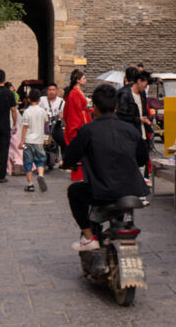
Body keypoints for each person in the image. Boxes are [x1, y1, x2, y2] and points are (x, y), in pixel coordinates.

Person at [62, 83, 149, 251]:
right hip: (132, 190)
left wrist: (66, 163)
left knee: (74, 191)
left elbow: (69, 158)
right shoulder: (131, 130)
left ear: (94, 107)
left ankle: (88, 237)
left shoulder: (88, 130)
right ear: (116, 106)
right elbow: (141, 159)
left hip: (101, 192)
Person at [63, 69, 92, 182]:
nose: (86, 80)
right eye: (84, 78)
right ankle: (78, 175)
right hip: (79, 122)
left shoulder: (76, 92)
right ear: (78, 80)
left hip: (83, 119)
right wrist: (75, 128)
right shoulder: (74, 93)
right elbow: (74, 112)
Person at [20, 89, 48, 192]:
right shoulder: (42, 111)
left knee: (28, 162)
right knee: (40, 160)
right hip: (39, 141)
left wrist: (21, 141)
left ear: (28, 99)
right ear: (39, 99)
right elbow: (46, 122)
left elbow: (24, 127)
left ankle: (30, 184)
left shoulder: (26, 112)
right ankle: (40, 175)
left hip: (28, 141)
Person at [39, 83, 66, 165]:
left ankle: (64, 161)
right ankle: (40, 161)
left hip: (56, 125)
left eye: (53, 90)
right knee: (41, 143)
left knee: (63, 141)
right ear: (47, 91)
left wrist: (62, 116)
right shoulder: (42, 100)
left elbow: (65, 114)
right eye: (50, 90)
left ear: (57, 91)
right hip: (44, 126)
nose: (51, 92)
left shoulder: (61, 102)